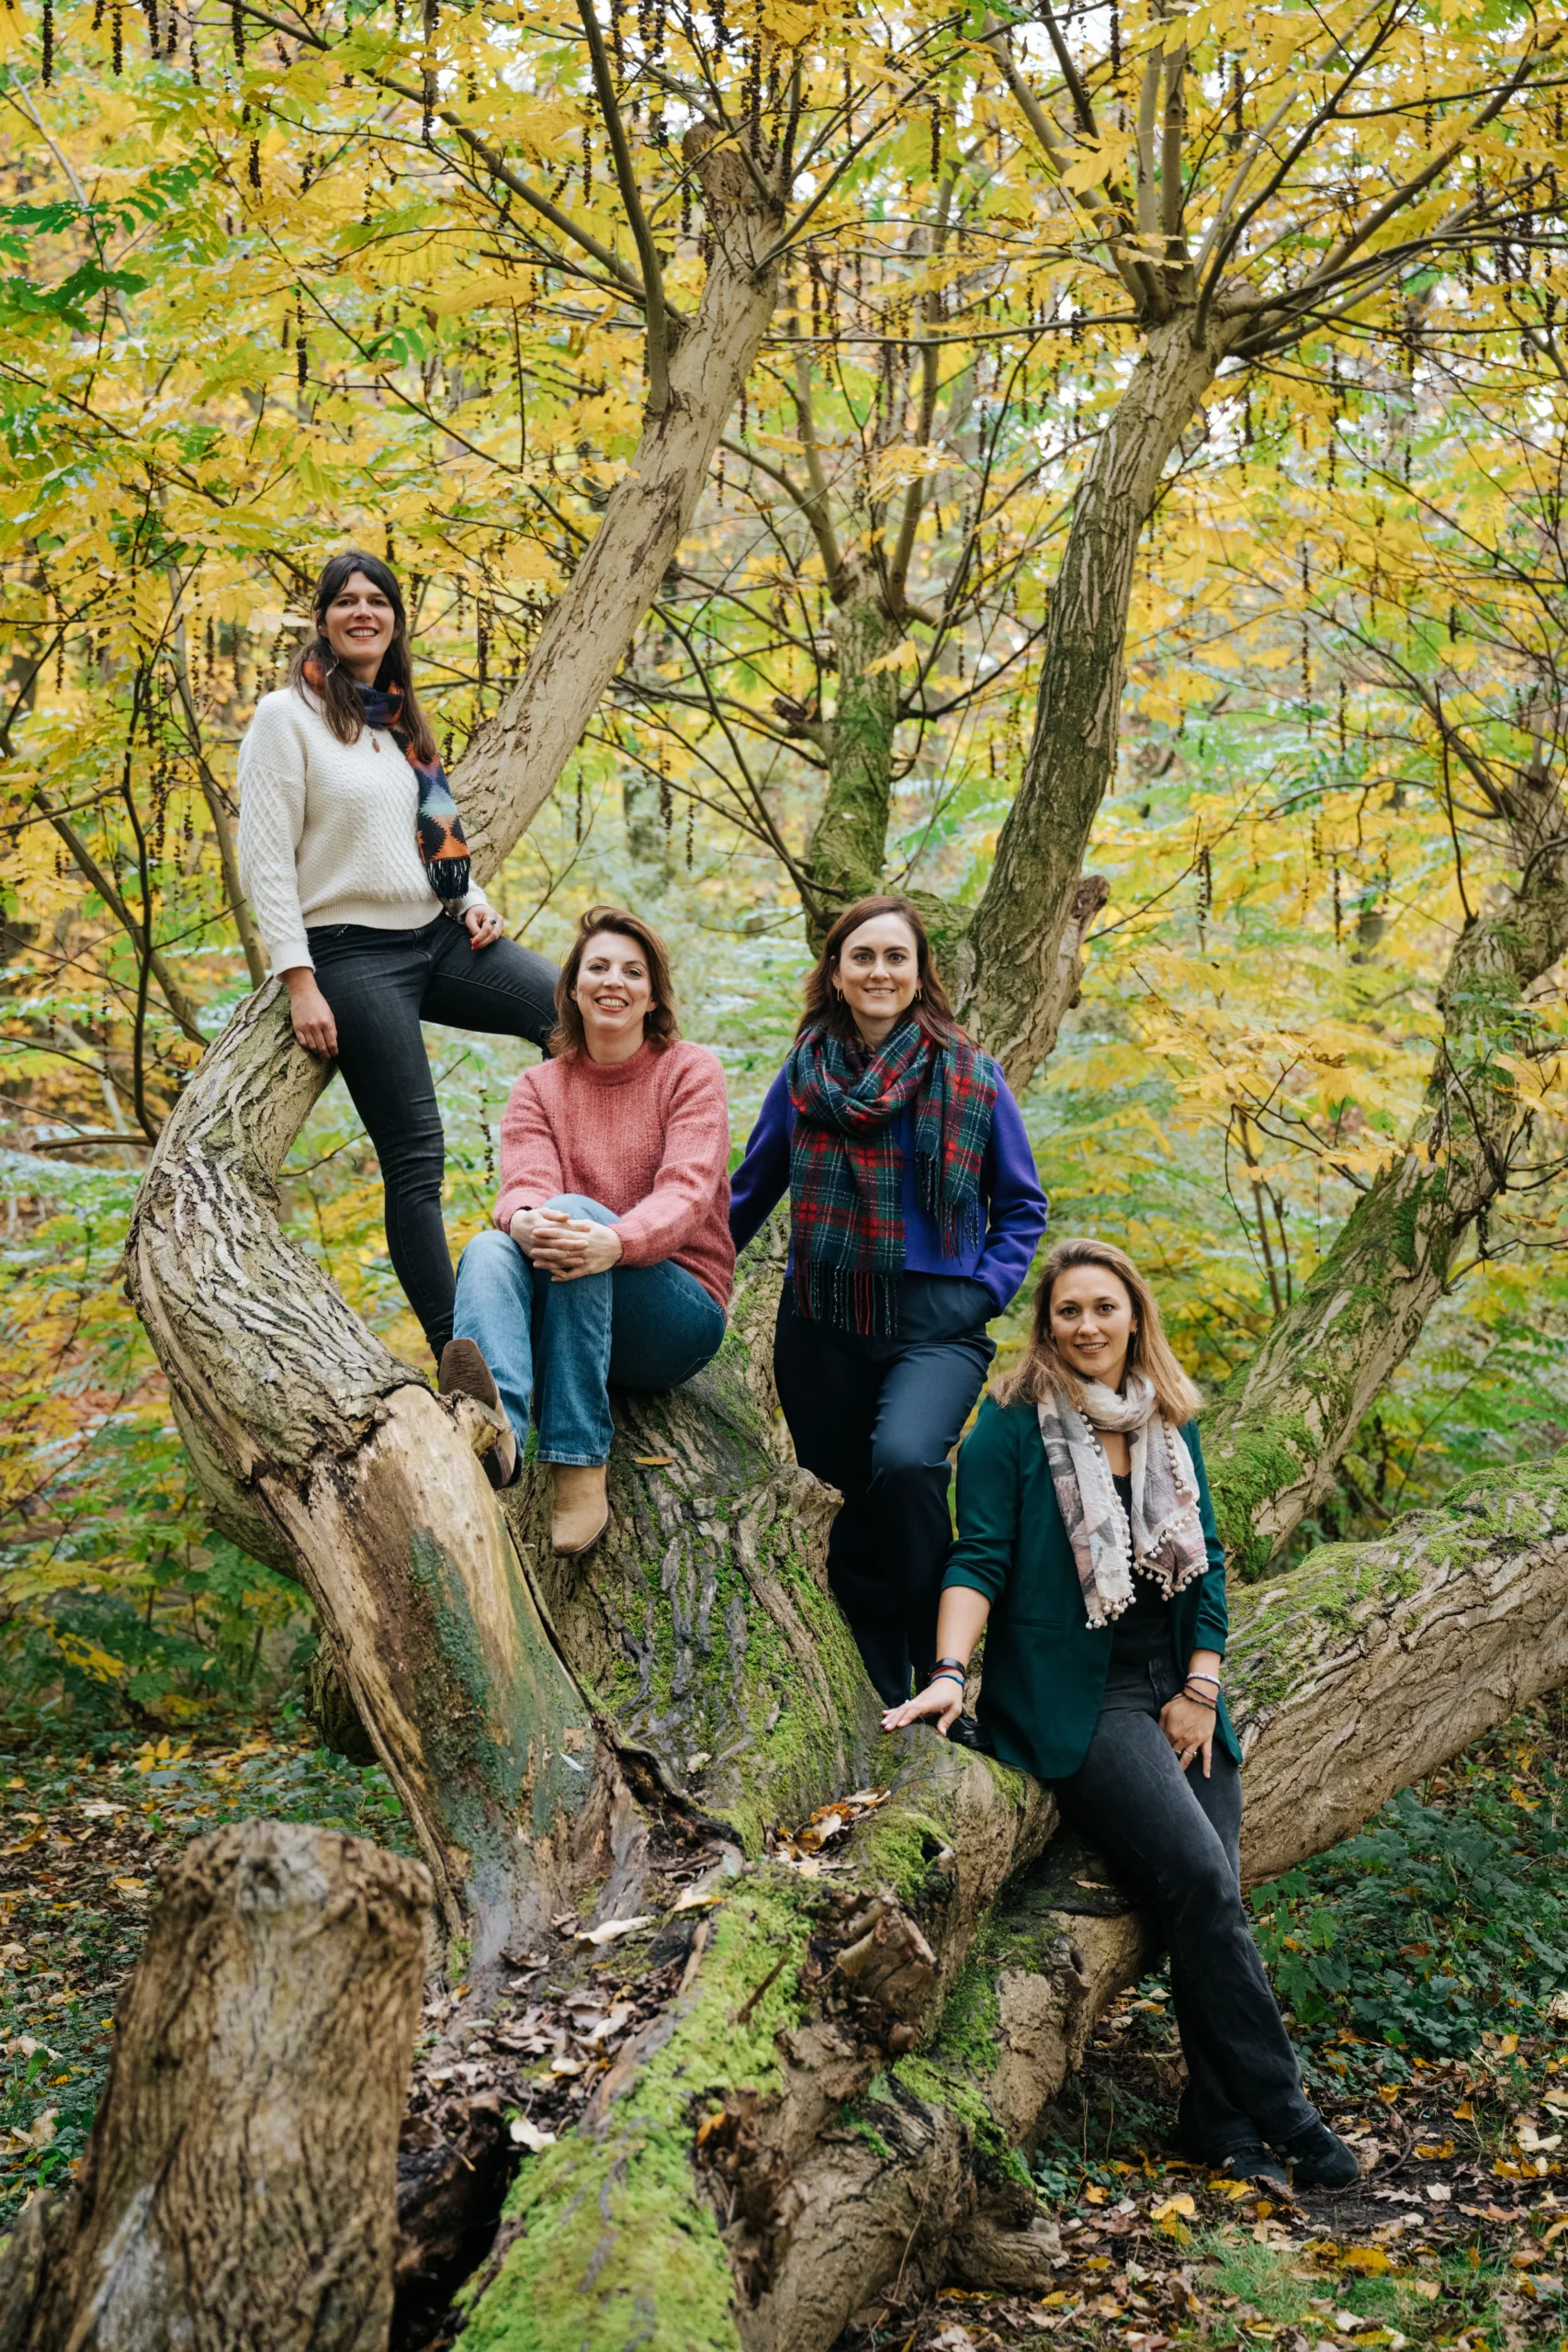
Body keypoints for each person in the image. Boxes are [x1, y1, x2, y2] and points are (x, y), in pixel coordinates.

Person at [883, 1236, 1360, 2194]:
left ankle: (1217, 2121)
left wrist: (1201, 1690)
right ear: (1046, 1324)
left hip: (1175, 1689)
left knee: (1209, 1890)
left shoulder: (1166, 1421)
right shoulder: (1010, 1425)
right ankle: (1286, 2114)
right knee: (1199, 1876)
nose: (1087, 1325)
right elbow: (978, 1556)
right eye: (1068, 1310)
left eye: (1104, 1306)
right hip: (1080, 1699)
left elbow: (1207, 1560)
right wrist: (948, 1671)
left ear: (1135, 1315)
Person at [235, 548, 557, 1360]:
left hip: (438, 934)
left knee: (573, 1014)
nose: (362, 612)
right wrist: (298, 980)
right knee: (417, 1156)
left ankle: (583, 1231)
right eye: (345, 600)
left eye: (377, 600)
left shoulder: (400, 717)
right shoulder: (285, 716)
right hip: (351, 954)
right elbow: (265, 859)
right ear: (322, 619)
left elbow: (429, 833)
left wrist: (471, 900)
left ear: (394, 619)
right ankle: (460, 1351)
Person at [728, 893, 1048, 1706]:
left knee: (906, 1467)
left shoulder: (972, 1075)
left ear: (918, 973)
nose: (879, 971)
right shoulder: (803, 1077)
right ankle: (875, 1691)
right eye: (861, 956)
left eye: (894, 957)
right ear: (836, 974)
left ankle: (940, 1666)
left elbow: (1021, 1207)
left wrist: (982, 1294)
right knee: (842, 1505)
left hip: (936, 1322)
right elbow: (747, 1193)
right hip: (823, 1317)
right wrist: (667, 1267)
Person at [441, 906, 732, 1555]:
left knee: (574, 1210)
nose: (613, 981)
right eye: (598, 967)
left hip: (675, 1312)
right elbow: (525, 1184)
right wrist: (522, 1220)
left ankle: (576, 1457)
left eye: (633, 972)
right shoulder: (538, 1086)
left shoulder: (689, 1070)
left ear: (652, 996)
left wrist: (618, 1241)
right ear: (572, 988)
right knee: (490, 1245)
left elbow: (688, 1191)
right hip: (574, 1297)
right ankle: (493, 1430)